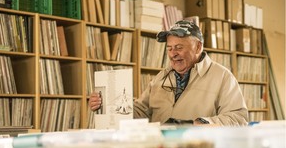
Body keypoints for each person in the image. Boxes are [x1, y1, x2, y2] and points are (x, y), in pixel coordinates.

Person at [89, 20, 248, 126]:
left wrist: (202, 124)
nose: (173, 54)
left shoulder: (222, 76)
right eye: (169, 48)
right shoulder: (160, 77)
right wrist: (109, 104)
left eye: (179, 47)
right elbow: (140, 112)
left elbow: (238, 119)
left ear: (198, 47)